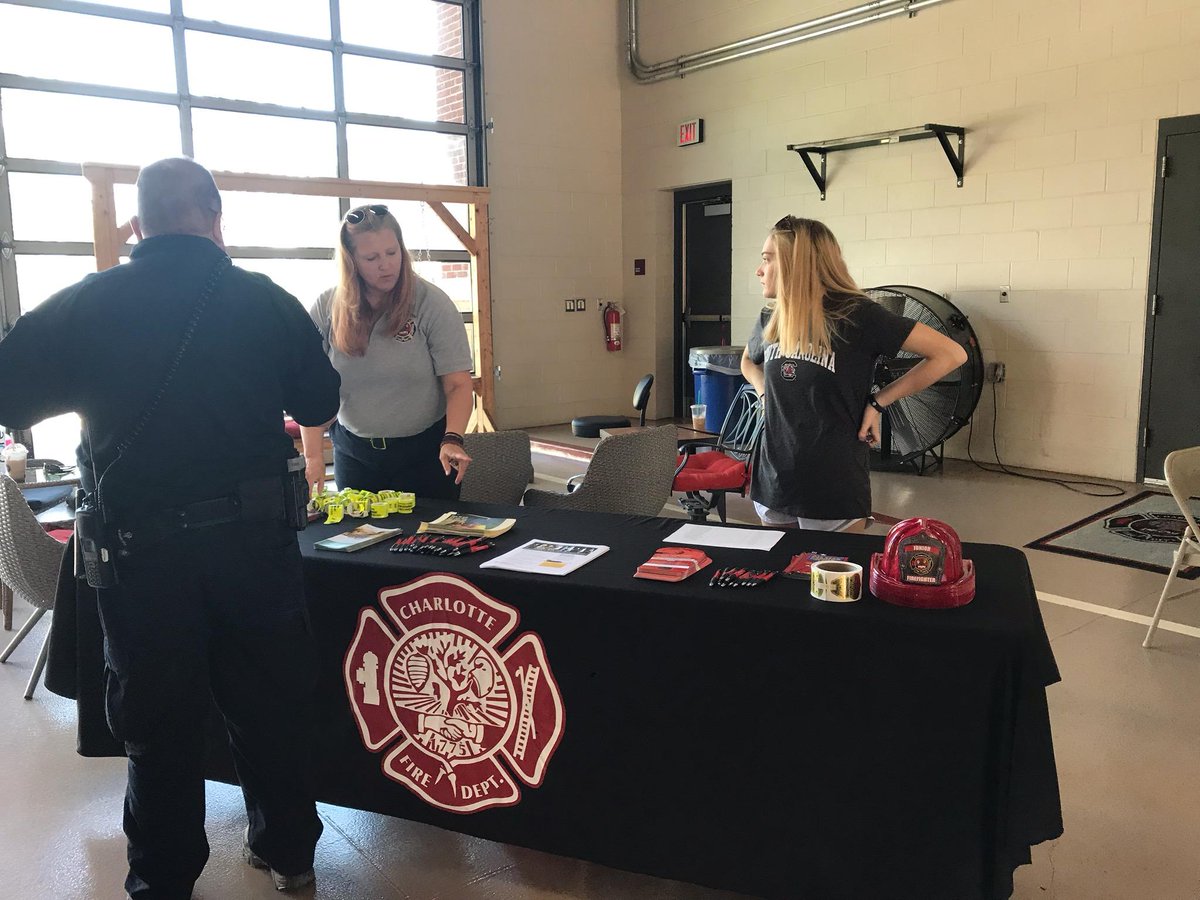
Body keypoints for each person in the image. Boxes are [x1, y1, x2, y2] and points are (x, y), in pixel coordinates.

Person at [0, 157, 341, 899]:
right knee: (272, 706)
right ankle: (290, 856)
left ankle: (162, 883)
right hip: (255, 550)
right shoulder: (261, 300)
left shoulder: (90, 302)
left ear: (138, 224)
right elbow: (319, 403)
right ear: (216, 219)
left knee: (157, 729)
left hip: (141, 559)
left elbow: (9, 385)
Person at [741, 215, 967, 530]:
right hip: (775, 480)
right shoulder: (773, 316)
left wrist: (879, 402)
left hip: (833, 485)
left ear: (799, 263)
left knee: (832, 579)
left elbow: (950, 354)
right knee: (781, 575)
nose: (759, 270)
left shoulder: (857, 315)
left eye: (768, 259)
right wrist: (766, 394)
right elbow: (749, 362)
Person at [302, 204, 474, 498]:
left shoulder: (431, 303)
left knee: (426, 539)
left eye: (392, 253)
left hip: (424, 453)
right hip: (354, 453)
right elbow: (308, 389)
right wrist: (313, 457)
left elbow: (458, 384)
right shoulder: (327, 307)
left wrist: (453, 438)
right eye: (372, 258)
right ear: (351, 260)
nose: (386, 264)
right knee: (360, 538)